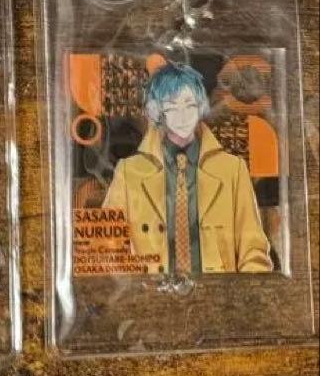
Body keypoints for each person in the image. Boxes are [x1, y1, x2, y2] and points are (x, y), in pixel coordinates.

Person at [102, 62, 272, 275]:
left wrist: (244, 293)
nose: (182, 116)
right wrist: (137, 291)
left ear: (200, 107)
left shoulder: (233, 169)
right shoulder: (128, 172)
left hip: (220, 291)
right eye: (172, 107)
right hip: (150, 292)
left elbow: (254, 250)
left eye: (189, 105)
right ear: (158, 112)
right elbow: (109, 246)